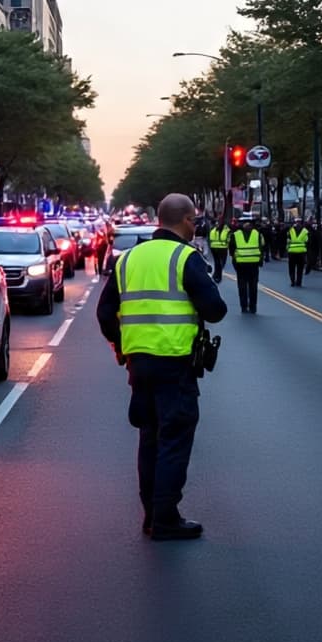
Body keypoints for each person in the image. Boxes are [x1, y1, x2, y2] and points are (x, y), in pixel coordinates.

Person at [96, 193, 227, 541]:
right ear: (185, 220)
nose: (195, 225)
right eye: (194, 220)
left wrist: (122, 347)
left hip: (139, 367)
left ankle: (151, 514)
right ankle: (166, 518)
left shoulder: (128, 259)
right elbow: (215, 309)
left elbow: (105, 314)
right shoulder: (186, 257)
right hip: (176, 363)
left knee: (149, 437)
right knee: (174, 437)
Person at [229, 212, 265, 313]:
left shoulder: (235, 235)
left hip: (243, 264)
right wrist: (260, 260)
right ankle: (250, 307)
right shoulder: (257, 234)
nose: (247, 224)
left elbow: (231, 250)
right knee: (250, 286)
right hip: (251, 264)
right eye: (246, 222)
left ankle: (246, 306)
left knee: (244, 286)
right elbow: (262, 247)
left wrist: (235, 260)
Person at [286, 216, 309, 287]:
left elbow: (288, 241)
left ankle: (292, 281)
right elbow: (306, 240)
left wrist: (287, 249)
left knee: (291, 268)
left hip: (292, 252)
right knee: (300, 268)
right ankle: (299, 282)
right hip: (301, 252)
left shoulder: (291, 230)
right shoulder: (305, 231)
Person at [209, 215, 231, 280]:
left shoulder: (213, 229)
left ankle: (216, 275)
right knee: (221, 263)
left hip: (214, 247)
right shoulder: (227, 230)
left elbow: (210, 238)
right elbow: (229, 239)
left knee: (217, 262)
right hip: (222, 248)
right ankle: (218, 276)